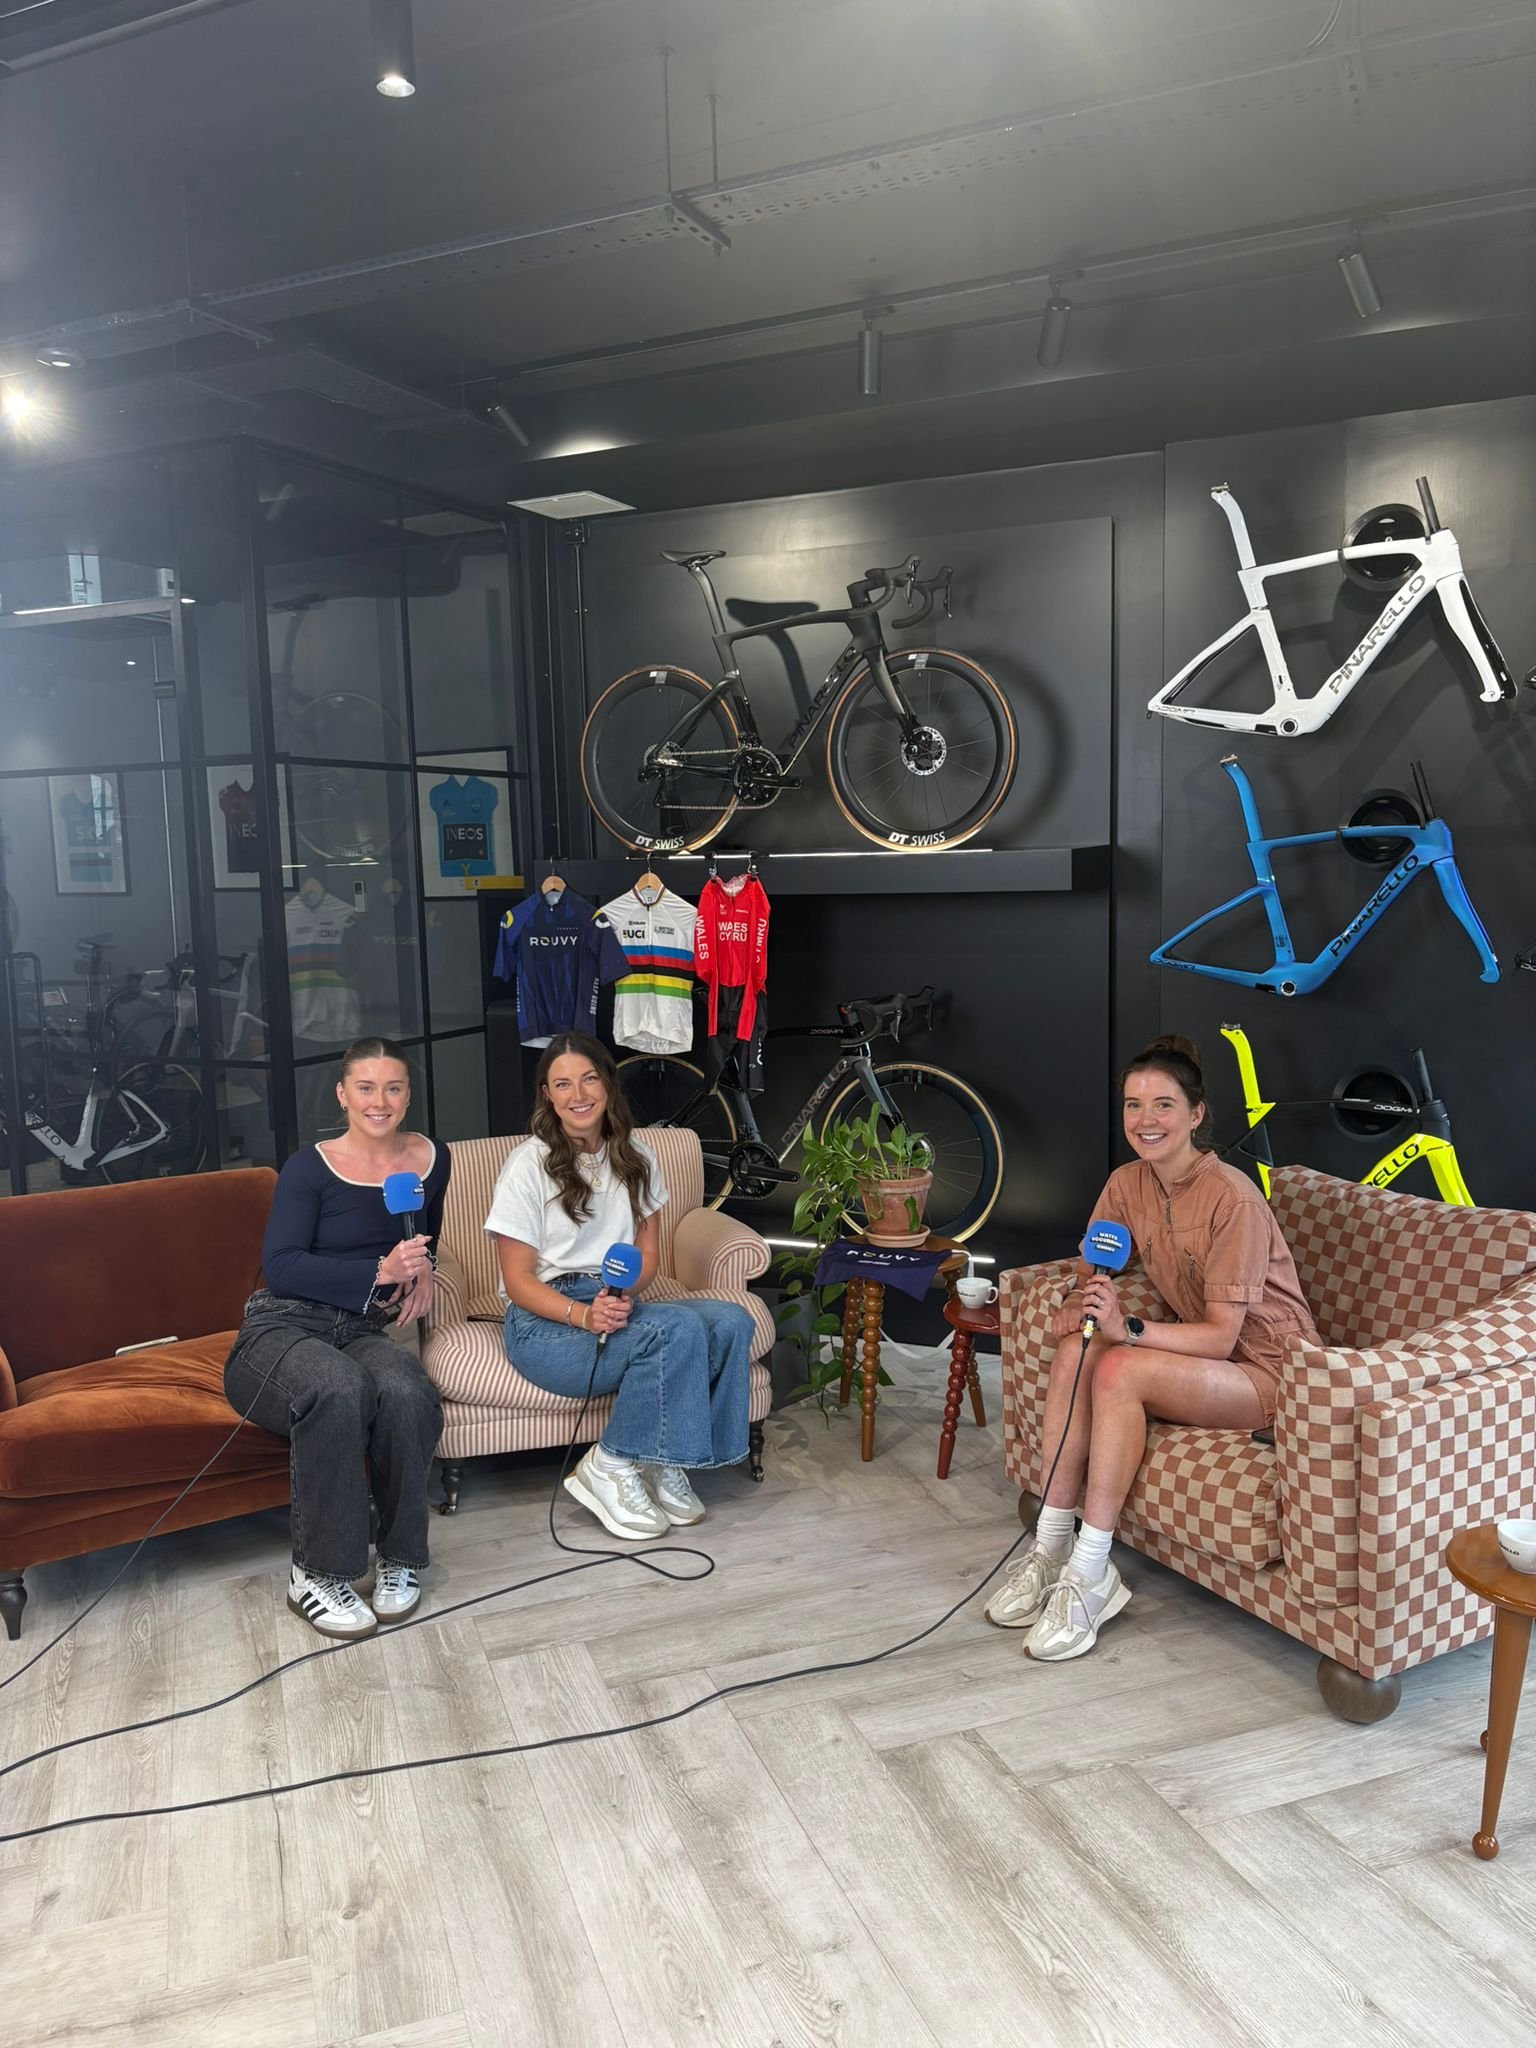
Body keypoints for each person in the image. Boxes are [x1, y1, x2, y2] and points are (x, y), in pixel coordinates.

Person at [986, 1034, 1317, 1663]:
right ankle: (1049, 1549)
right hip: (1205, 1360)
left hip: (1274, 1374)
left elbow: (1222, 1338)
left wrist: (1126, 1328)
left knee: (1117, 1367)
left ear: (1195, 1115)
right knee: (1076, 1353)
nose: (1146, 1120)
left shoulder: (1233, 1197)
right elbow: (1097, 1266)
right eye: (1133, 1105)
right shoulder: (1127, 1183)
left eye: (1163, 1105)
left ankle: (1091, 1575)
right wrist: (1085, 1300)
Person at [486, 1030, 753, 1541]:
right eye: (562, 1084)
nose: (578, 1094)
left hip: (616, 1299)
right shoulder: (527, 1165)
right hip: (547, 1323)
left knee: (731, 1320)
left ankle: (663, 1457)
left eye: (589, 1078)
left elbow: (648, 1255)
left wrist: (626, 1289)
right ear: (547, 1094)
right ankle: (609, 1462)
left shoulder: (637, 1155)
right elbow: (517, 1281)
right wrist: (584, 1315)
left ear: (608, 1083)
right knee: (673, 1327)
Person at [224, 1037, 449, 1639]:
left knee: (406, 1389)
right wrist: (378, 1271)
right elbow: (283, 1264)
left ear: (408, 1095)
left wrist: (426, 1270)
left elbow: (426, 1238)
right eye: (367, 1088)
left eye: (394, 1087)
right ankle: (315, 1573)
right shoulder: (309, 1167)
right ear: (343, 1095)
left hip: (360, 1327)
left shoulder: (431, 1159)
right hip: (282, 1326)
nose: (381, 1101)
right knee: (337, 1387)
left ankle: (399, 1559)